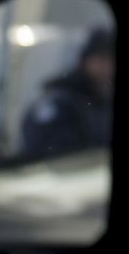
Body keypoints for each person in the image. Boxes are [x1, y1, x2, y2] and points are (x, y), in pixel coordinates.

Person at [19, 26, 114, 158]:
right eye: (102, 59)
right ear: (86, 61)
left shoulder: (103, 102)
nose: (108, 68)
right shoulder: (60, 103)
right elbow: (46, 155)